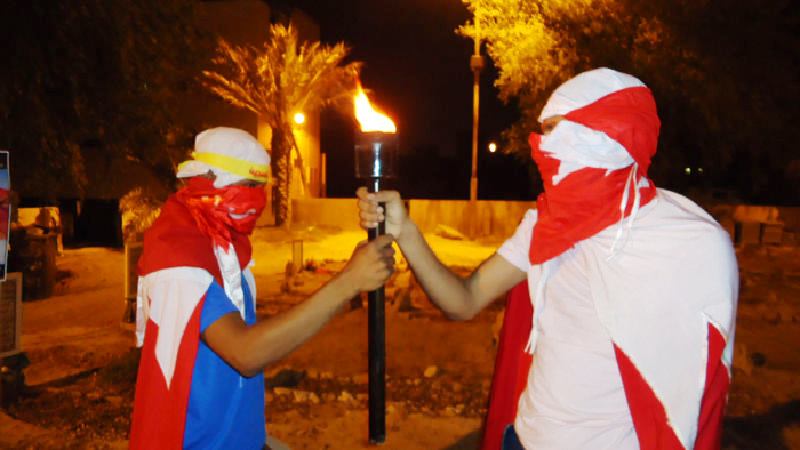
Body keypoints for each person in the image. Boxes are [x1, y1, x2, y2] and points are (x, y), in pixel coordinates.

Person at [358, 68, 738, 450]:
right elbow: (464, 300)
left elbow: (696, 391)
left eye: (555, 129)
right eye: (543, 131)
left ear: (606, 134)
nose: (541, 145)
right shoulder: (543, 224)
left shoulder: (687, 242)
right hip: (520, 440)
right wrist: (406, 232)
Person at [130, 127, 395, 450]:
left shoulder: (225, 245)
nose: (258, 199)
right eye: (249, 186)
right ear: (210, 183)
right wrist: (348, 282)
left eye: (261, 187)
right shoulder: (180, 259)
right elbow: (246, 353)